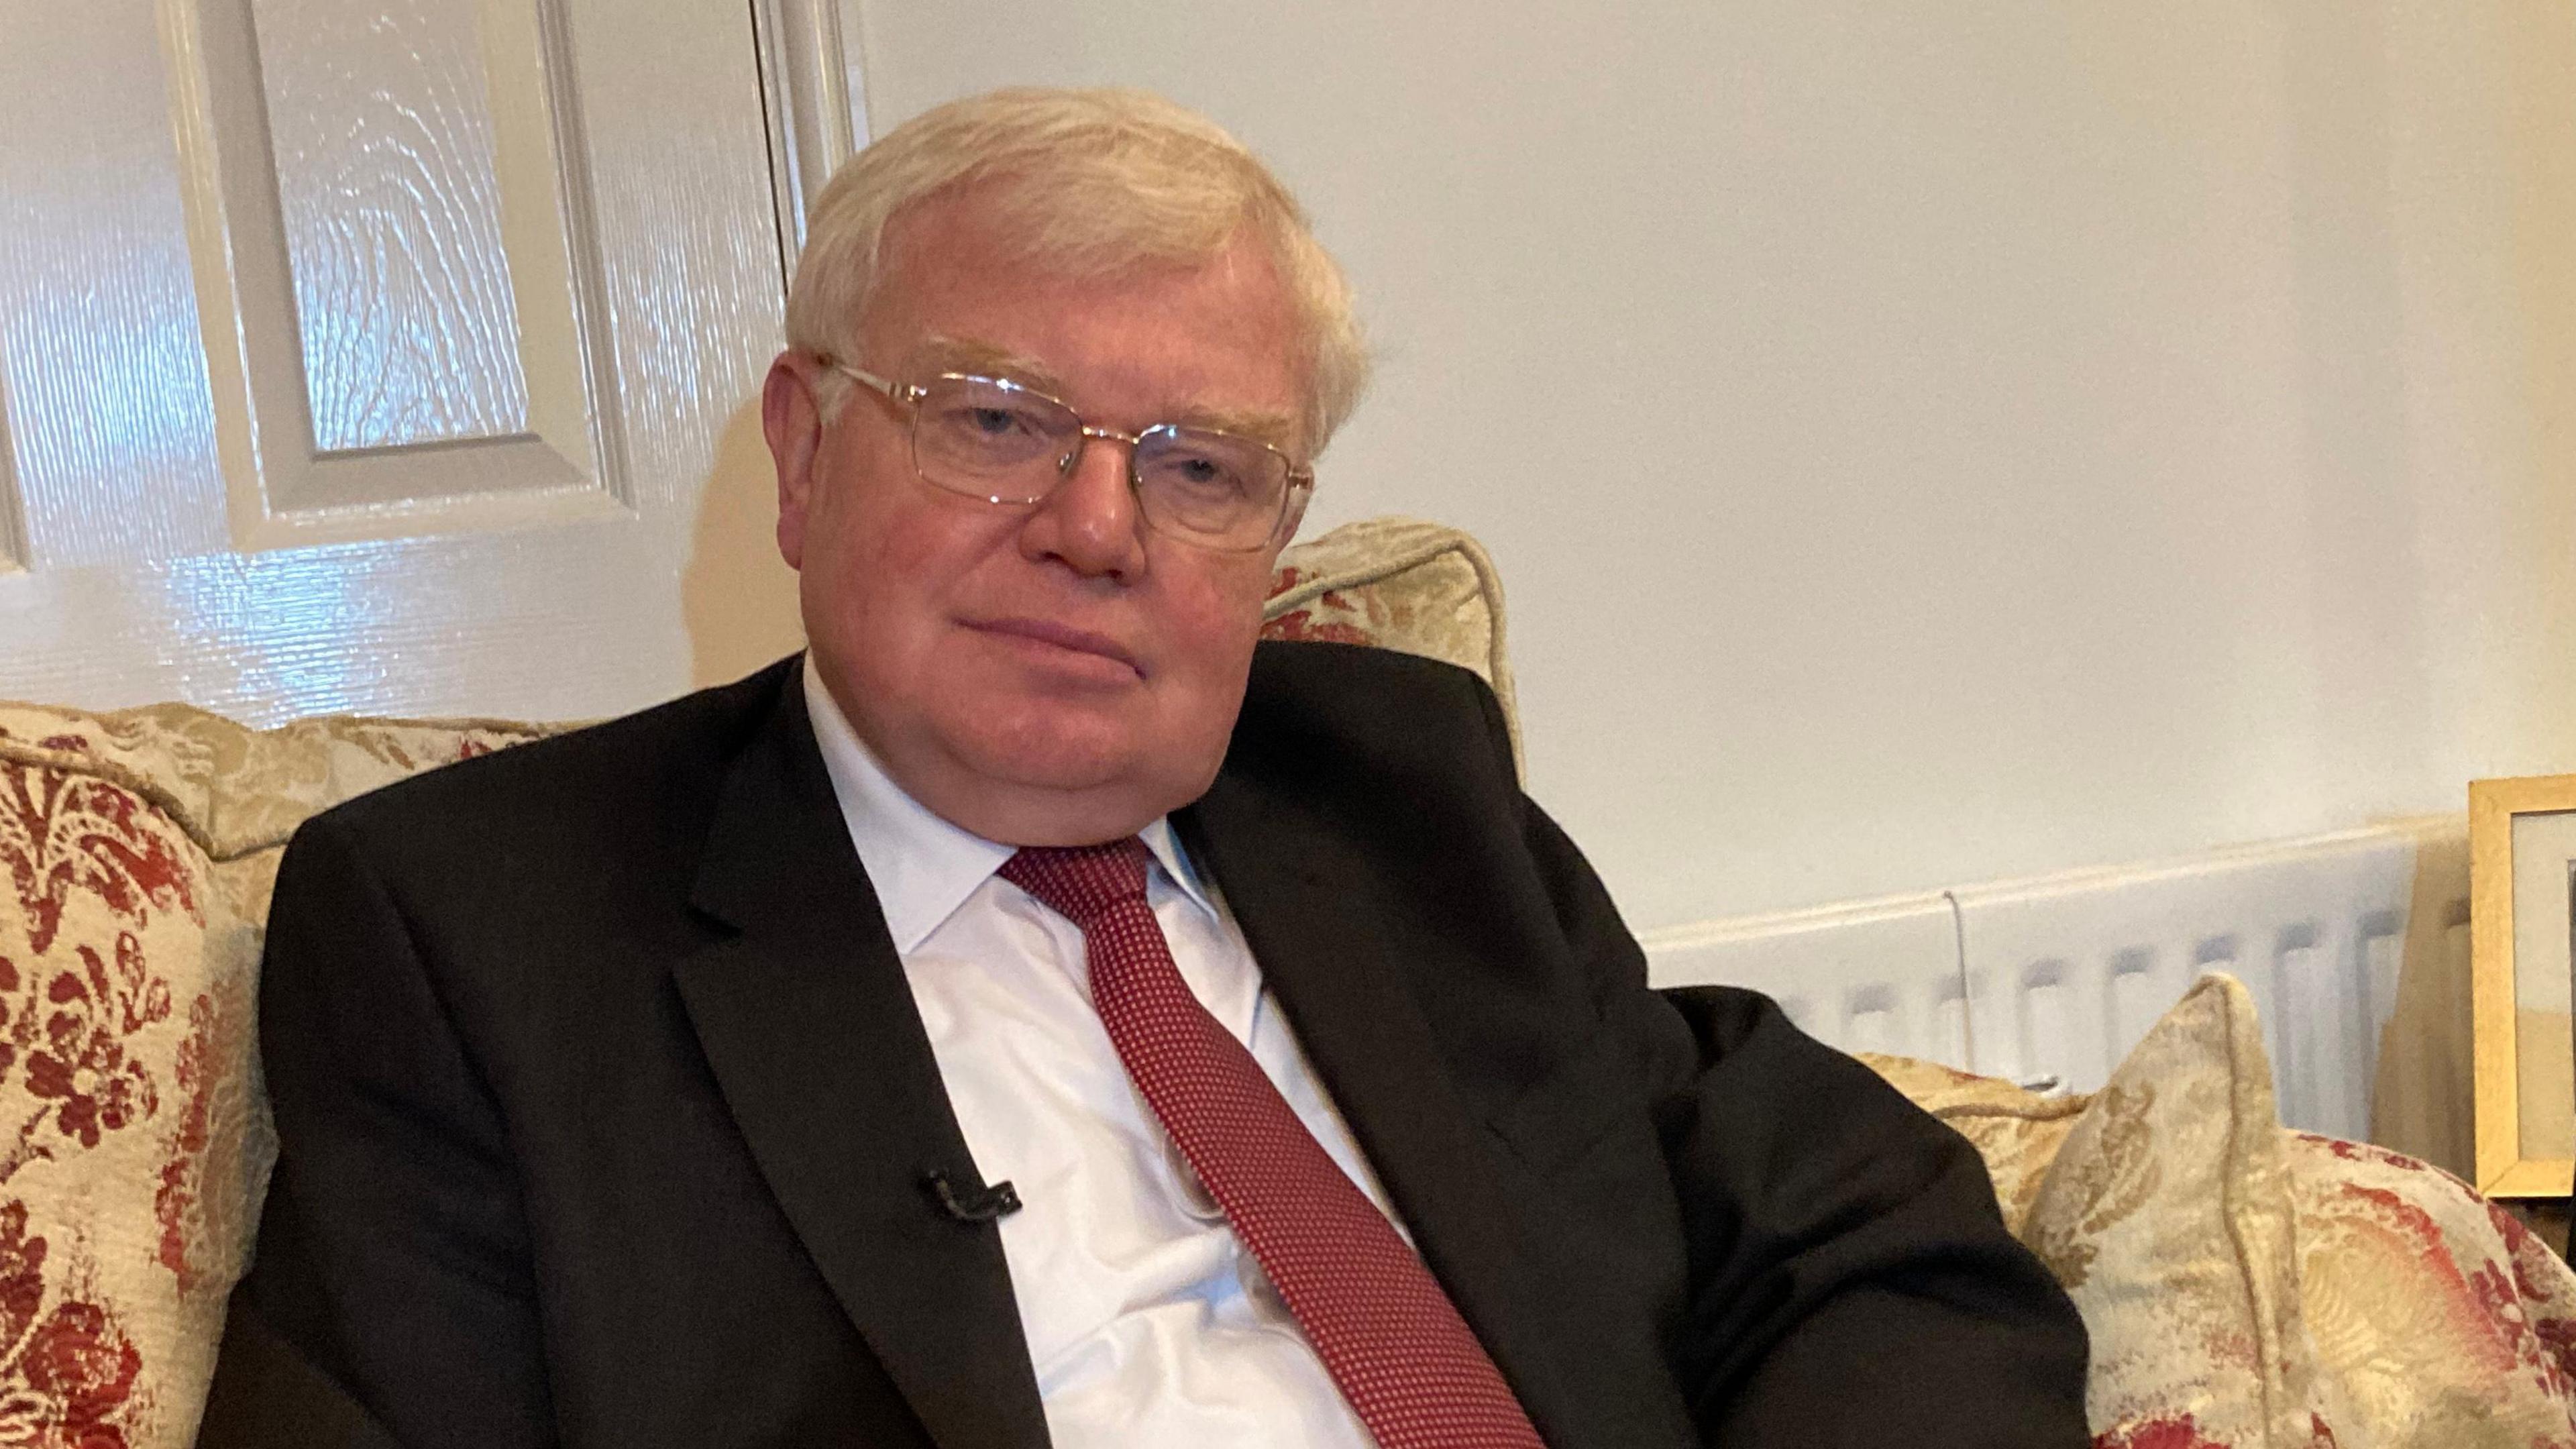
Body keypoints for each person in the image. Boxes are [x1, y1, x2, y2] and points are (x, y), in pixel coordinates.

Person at [200, 87, 2089, 1448]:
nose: (1099, 529)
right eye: (998, 419)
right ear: (800, 456)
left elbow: (1871, 1234)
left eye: (1199, 463)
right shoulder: (483, 926)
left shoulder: (1396, 792)